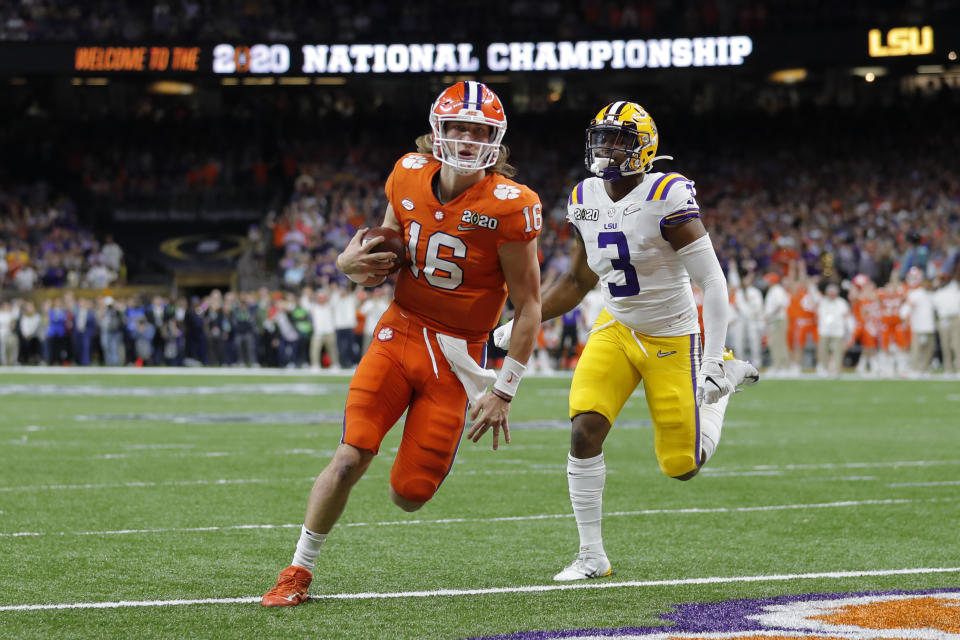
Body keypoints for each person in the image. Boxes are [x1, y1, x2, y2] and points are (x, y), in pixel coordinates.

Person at [261, 81, 542, 606]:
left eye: (477, 130)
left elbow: (529, 307)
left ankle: (416, 467)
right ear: (436, 131)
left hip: (457, 356)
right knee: (349, 457)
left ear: (495, 140)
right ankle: (297, 570)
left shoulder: (512, 206)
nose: (464, 138)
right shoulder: (407, 172)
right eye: (455, 126)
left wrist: (503, 389)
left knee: (409, 494)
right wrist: (349, 265)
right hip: (401, 330)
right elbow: (386, 248)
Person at [494, 101, 758, 581]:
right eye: (603, 138)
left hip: (673, 335)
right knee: (584, 429)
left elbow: (714, 282)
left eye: (620, 140)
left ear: (644, 147)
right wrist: (521, 322)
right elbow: (577, 283)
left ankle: (723, 389)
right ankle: (591, 555)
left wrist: (715, 359)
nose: (607, 148)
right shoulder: (584, 196)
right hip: (616, 328)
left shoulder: (666, 194)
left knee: (682, 466)